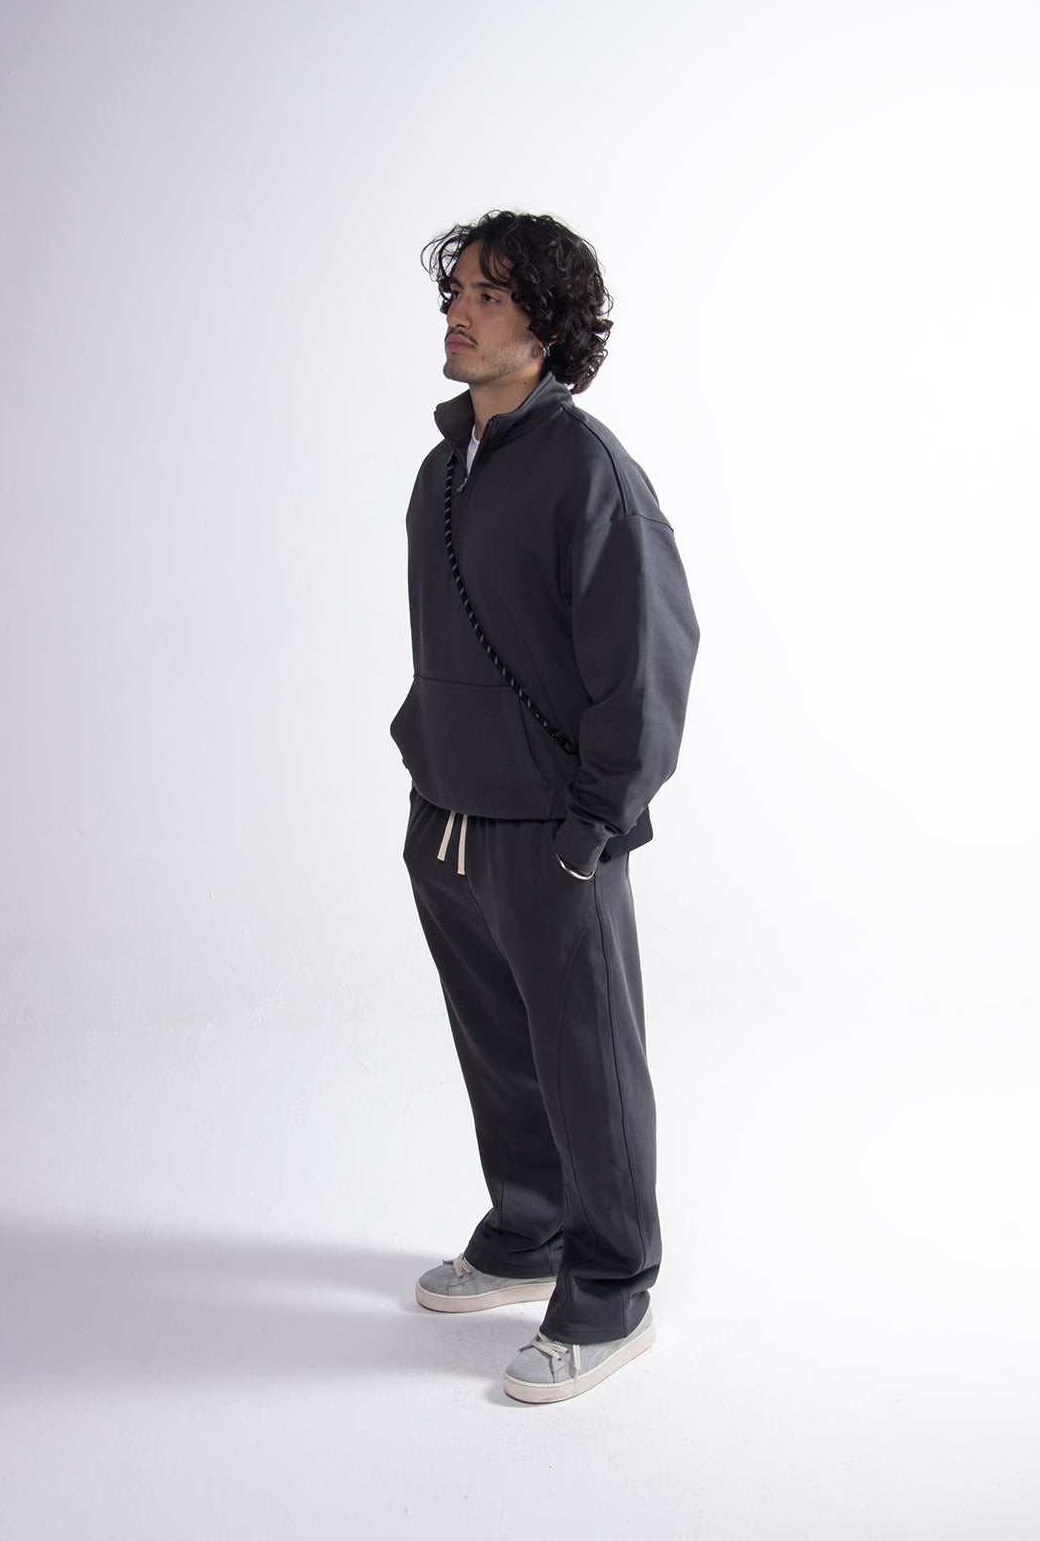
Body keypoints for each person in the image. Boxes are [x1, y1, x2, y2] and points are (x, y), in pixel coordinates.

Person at [391, 210, 699, 1403]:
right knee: (500, 1051)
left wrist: (595, 823)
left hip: (555, 831)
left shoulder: (589, 470)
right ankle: (528, 1231)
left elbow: (649, 659)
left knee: (588, 1064)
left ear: (550, 321)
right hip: (448, 813)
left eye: (491, 293)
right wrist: (426, 772)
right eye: (456, 291)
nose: (460, 312)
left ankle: (612, 1288)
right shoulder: (442, 468)